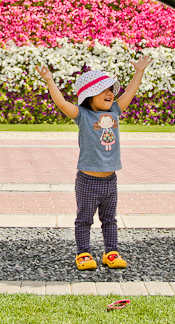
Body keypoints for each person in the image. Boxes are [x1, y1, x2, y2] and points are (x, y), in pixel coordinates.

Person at [37, 56, 152, 271]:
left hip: (110, 180)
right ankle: (83, 253)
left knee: (110, 219)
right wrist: (50, 81)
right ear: (89, 96)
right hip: (87, 181)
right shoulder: (83, 115)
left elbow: (129, 93)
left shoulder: (115, 111)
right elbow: (62, 103)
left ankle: (111, 251)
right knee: (84, 219)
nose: (110, 93)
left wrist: (139, 72)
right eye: (103, 90)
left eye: (110, 89)